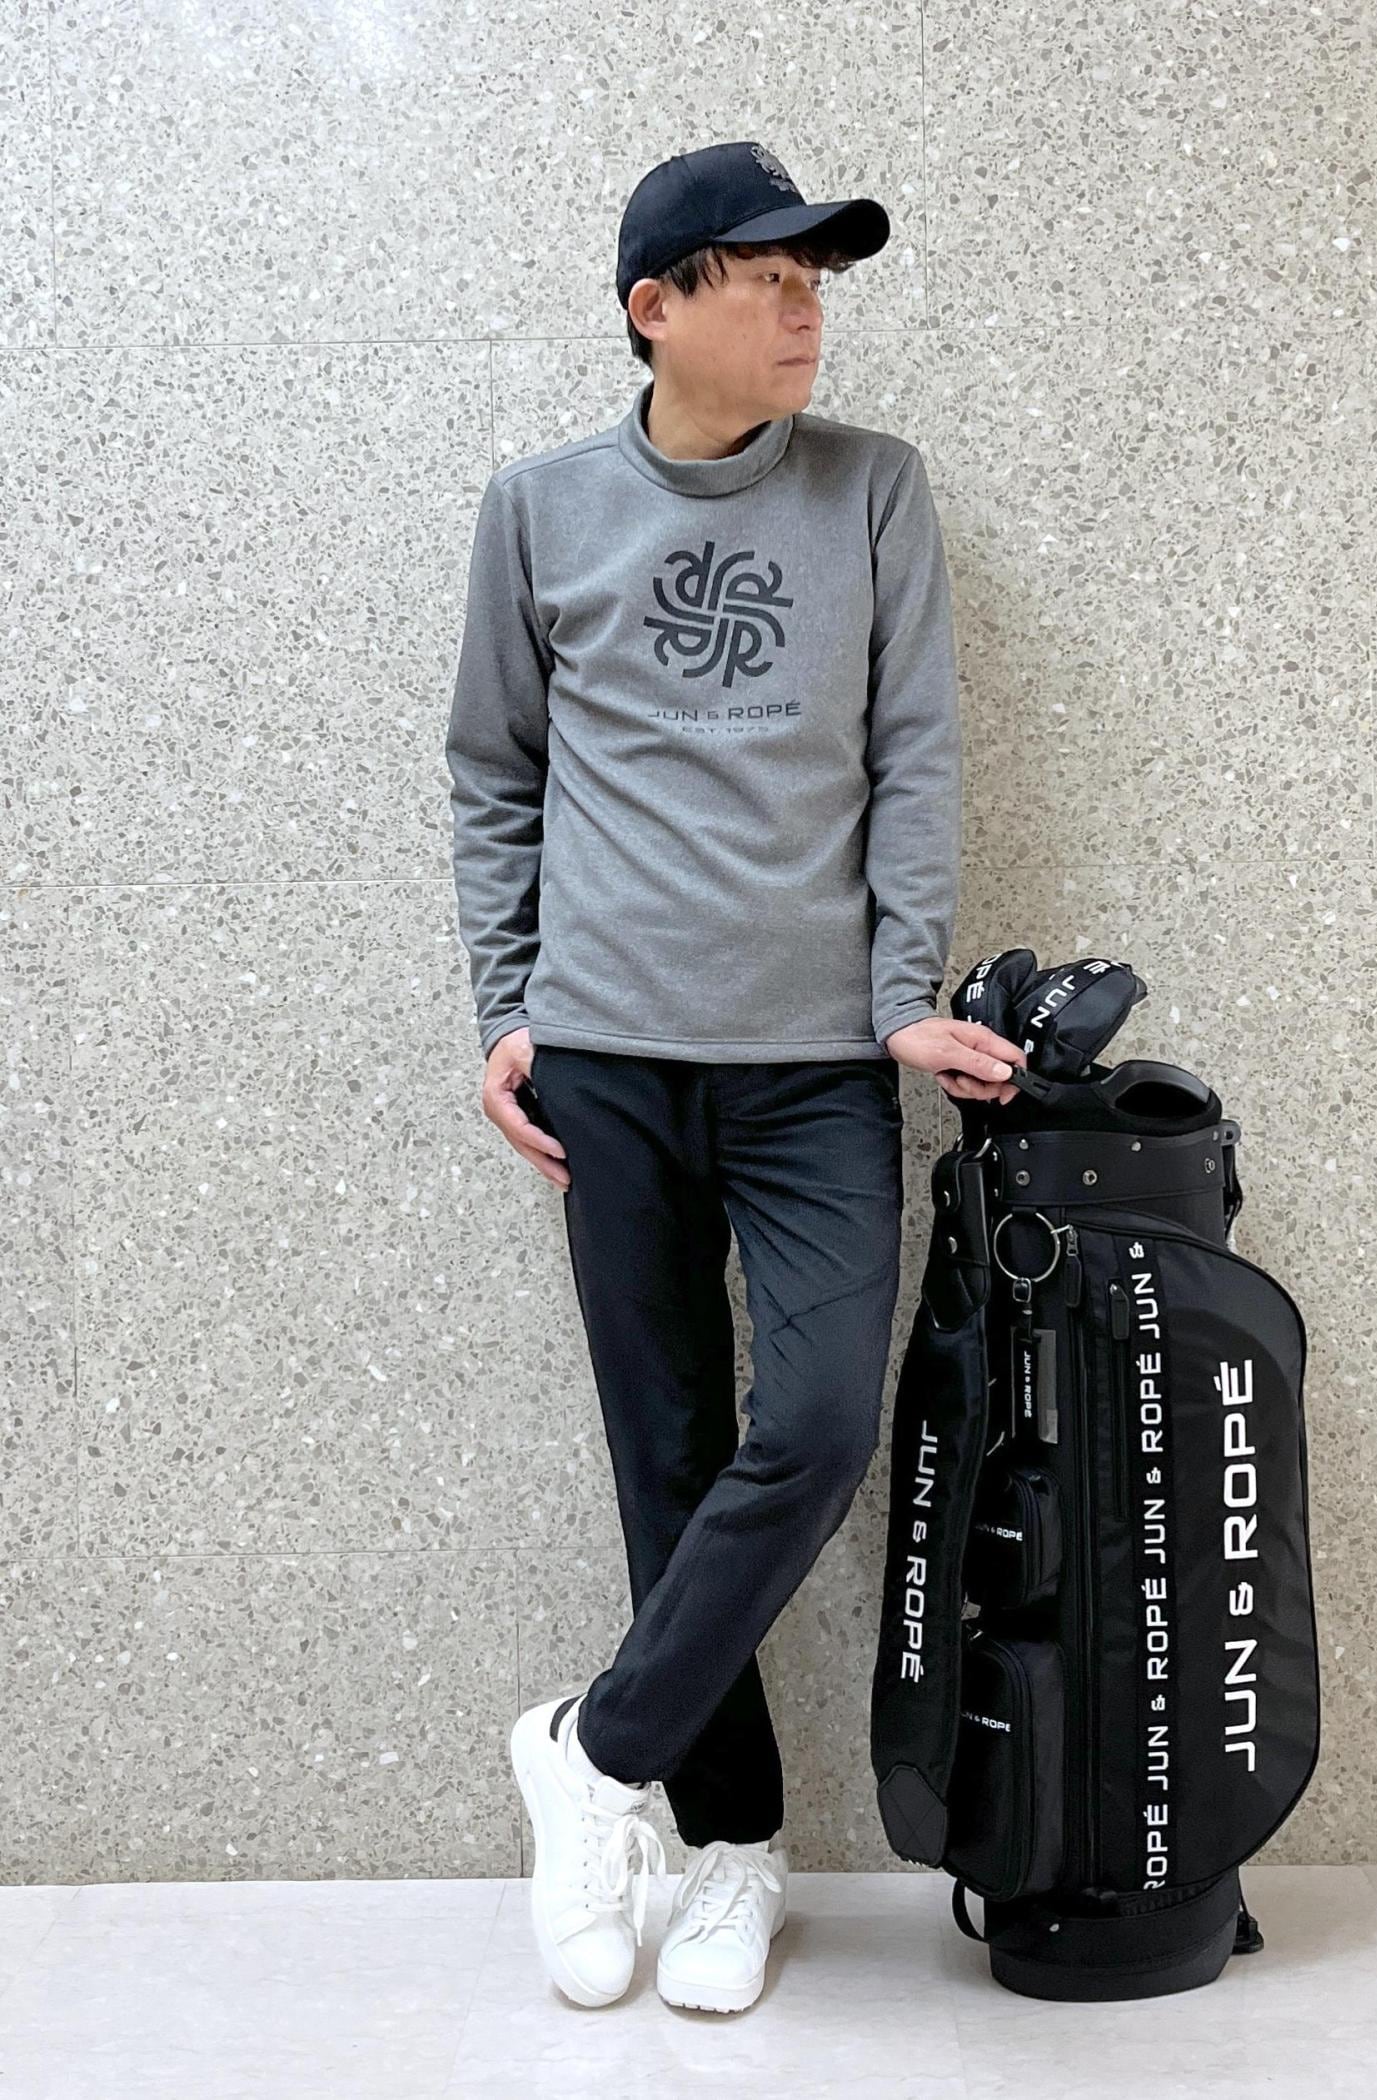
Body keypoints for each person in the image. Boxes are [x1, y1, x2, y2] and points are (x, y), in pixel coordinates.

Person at [445, 140, 1025, 2016]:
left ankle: (590, 1753)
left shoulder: (873, 490)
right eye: (766, 277)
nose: (803, 308)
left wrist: (897, 998)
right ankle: (730, 1853)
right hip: (609, 1062)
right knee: (669, 1459)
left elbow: (915, 753)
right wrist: (508, 1001)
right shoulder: (539, 511)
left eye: (815, 279)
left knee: (820, 1426)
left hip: (811, 1071)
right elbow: (495, 774)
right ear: (655, 307)